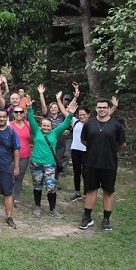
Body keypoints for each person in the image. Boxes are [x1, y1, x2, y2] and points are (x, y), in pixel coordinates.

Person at [78, 97, 126, 231]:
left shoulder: (116, 125)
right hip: (91, 162)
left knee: (108, 191)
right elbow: (84, 140)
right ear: (96, 108)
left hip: (109, 163)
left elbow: (122, 144)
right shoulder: (89, 123)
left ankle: (106, 219)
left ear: (109, 108)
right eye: (100, 107)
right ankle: (87, 217)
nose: (102, 110)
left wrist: (110, 150)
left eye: (104, 107)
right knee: (90, 189)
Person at [27, 95, 76, 218]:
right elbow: (31, 119)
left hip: (49, 165)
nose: (46, 127)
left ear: (51, 126)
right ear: (41, 125)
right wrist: (29, 107)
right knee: (37, 185)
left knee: (51, 187)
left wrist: (70, 114)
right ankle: (37, 206)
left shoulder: (55, 133)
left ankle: (52, 209)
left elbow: (65, 124)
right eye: (44, 125)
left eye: (48, 126)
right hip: (36, 163)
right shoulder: (37, 131)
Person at [9, 105, 32, 209]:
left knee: (19, 177)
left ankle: (17, 199)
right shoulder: (9, 125)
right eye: (16, 112)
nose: (18, 114)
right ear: (13, 114)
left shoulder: (28, 125)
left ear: (24, 113)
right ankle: (8, 197)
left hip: (25, 155)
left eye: (21, 112)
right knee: (9, 177)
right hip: (11, 156)